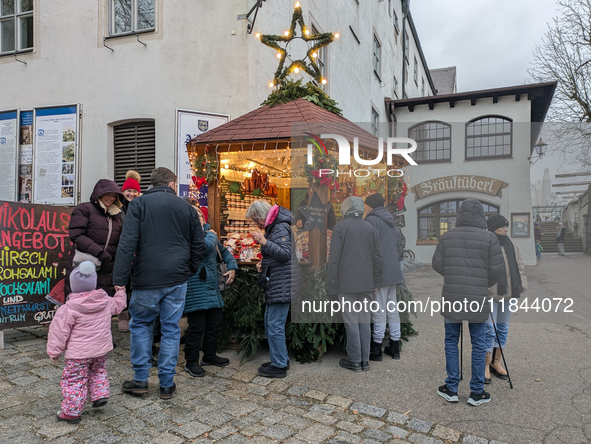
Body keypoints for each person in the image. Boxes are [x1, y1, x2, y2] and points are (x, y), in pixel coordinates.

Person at [114, 167, 205, 400]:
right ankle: (166, 383)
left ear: (150, 185)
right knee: (171, 329)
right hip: (176, 278)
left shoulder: (138, 205)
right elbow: (198, 245)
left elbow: (127, 244)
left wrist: (119, 280)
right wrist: (188, 270)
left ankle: (141, 380)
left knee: (141, 325)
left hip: (146, 278)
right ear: (173, 184)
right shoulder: (187, 208)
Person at [432, 199, 504, 406]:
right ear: (481, 216)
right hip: (478, 297)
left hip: (452, 295)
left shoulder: (447, 236)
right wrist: (483, 282)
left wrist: (453, 275)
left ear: (459, 215)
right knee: (479, 342)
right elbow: (496, 269)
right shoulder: (490, 238)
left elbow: (437, 264)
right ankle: (476, 391)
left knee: (451, 341)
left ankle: (451, 388)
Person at [47, 262, 127, 423]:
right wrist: (121, 292)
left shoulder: (68, 309)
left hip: (78, 354)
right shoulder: (106, 301)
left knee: (75, 379)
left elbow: (58, 332)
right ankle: (100, 394)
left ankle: (72, 412)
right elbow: (120, 305)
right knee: (98, 370)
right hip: (101, 349)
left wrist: (54, 351)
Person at [328, 196, 383, 372]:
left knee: (351, 322)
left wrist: (332, 285)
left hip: (346, 283)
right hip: (367, 282)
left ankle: (354, 360)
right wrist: (376, 281)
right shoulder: (371, 228)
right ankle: (365, 361)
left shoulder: (340, 227)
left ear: (345, 209)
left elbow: (334, 259)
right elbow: (378, 258)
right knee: (365, 322)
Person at [247, 200, 301, 378]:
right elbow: (280, 254)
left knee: (274, 324)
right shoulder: (277, 226)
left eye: (257, 220)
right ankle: (280, 359)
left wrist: (263, 241)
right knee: (271, 322)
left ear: (264, 215)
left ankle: (279, 365)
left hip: (282, 283)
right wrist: (266, 262)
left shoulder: (279, 227)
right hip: (279, 282)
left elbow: (285, 254)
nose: (257, 224)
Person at [183, 200, 237, 378]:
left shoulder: (208, 233)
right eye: (195, 214)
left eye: (200, 214)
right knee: (196, 326)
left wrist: (232, 266)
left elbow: (225, 252)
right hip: (195, 287)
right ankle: (191, 362)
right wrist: (212, 234)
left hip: (212, 287)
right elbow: (205, 247)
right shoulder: (187, 233)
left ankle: (209, 355)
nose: (198, 216)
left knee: (214, 322)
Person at [484, 215, 527, 384]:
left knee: (503, 328)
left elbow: (520, 266)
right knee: (489, 328)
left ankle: (496, 362)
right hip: (491, 294)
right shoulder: (486, 245)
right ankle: (485, 365)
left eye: (506, 227)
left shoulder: (512, 245)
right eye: (502, 227)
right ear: (493, 227)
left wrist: (521, 284)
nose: (506, 230)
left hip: (509, 294)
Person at [66, 179, 124, 298]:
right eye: (108, 194)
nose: (111, 198)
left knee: (102, 306)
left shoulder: (116, 216)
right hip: (84, 264)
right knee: (81, 302)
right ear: (100, 193)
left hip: (107, 268)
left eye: (114, 195)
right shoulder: (84, 209)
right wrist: (100, 253)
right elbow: (77, 235)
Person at [363, 193, 404, 361]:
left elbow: (369, 249)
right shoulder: (390, 220)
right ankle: (395, 345)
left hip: (379, 271)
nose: (364, 209)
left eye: (366, 206)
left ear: (371, 206)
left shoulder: (371, 221)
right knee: (392, 308)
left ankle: (376, 347)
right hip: (393, 269)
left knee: (379, 310)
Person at [117, 170, 142, 332]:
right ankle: (122, 315)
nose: (131, 193)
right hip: (122, 250)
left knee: (134, 285)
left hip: (137, 252)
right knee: (122, 284)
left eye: (134, 191)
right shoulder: (118, 210)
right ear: (123, 191)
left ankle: (134, 315)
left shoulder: (141, 207)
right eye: (129, 191)